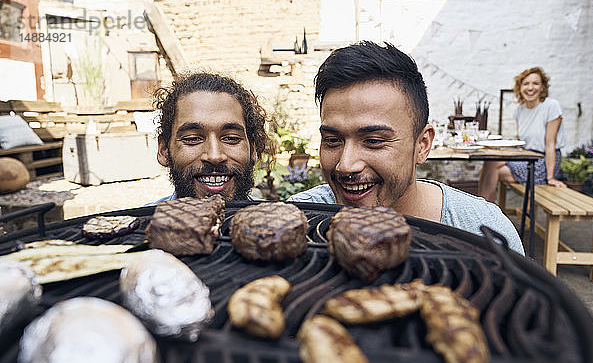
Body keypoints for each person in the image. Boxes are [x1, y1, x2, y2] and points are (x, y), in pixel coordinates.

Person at [288, 41, 524, 254]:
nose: (346, 165)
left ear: (422, 145)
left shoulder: (482, 231)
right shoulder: (295, 223)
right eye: (332, 141)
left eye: (373, 141)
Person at [149, 72, 273, 204]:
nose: (215, 157)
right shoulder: (142, 223)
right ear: (164, 150)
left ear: (253, 150)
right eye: (192, 139)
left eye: (231, 138)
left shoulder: (282, 221)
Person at [478, 67, 566, 202]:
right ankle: (486, 212)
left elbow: (550, 144)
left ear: (543, 87)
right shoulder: (520, 110)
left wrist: (550, 178)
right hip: (526, 157)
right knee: (491, 166)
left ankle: (483, 212)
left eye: (535, 83)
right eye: (526, 84)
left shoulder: (551, 106)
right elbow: (522, 142)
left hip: (542, 162)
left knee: (490, 168)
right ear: (520, 87)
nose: (530, 88)